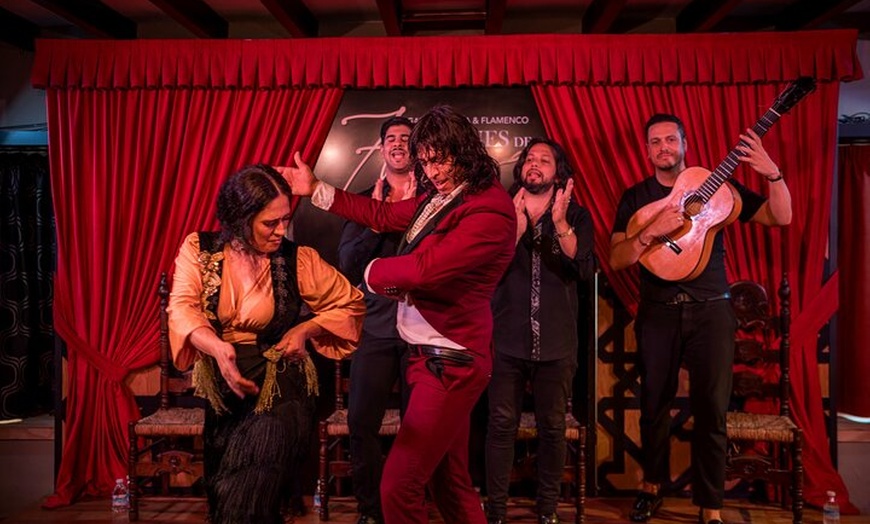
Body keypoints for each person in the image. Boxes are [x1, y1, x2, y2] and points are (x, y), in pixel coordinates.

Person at [279, 105, 517, 524]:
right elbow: (383, 215)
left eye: (440, 160)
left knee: (399, 486)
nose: (433, 171)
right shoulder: (443, 196)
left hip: (451, 359)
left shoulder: (489, 209)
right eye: (425, 162)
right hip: (430, 355)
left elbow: (426, 270)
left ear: (463, 151)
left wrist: (369, 274)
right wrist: (316, 188)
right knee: (450, 482)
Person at [609, 114, 792, 524]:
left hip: (711, 310)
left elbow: (779, 217)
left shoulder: (717, 187)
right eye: (655, 141)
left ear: (685, 143)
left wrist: (773, 175)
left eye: (670, 139)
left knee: (712, 409)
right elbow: (617, 258)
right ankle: (651, 487)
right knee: (653, 406)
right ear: (647, 150)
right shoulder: (636, 197)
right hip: (657, 312)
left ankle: (711, 507)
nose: (663, 147)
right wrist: (650, 232)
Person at [166, 164, 365, 524]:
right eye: (270, 223)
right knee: (226, 492)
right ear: (240, 219)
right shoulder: (200, 249)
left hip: (280, 386)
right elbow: (182, 308)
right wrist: (217, 349)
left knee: (248, 495)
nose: (281, 230)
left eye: (285, 219)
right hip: (225, 392)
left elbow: (350, 304)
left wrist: (306, 329)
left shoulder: (297, 260)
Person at [485, 138, 595, 524]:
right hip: (506, 340)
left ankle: (547, 510)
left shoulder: (576, 215)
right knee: (501, 426)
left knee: (552, 428)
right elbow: (484, 272)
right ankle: (495, 511)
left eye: (544, 160)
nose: (534, 164)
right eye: (530, 158)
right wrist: (514, 232)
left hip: (557, 342)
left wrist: (561, 225)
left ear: (558, 173)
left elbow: (583, 269)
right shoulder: (500, 210)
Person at [338, 116, 418, 524]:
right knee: (361, 423)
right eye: (392, 139)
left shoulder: (434, 201)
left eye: (406, 138)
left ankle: (410, 506)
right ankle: (371, 510)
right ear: (382, 148)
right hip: (375, 328)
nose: (399, 144)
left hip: (423, 330)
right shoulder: (362, 201)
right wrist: (376, 220)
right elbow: (348, 264)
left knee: (420, 427)